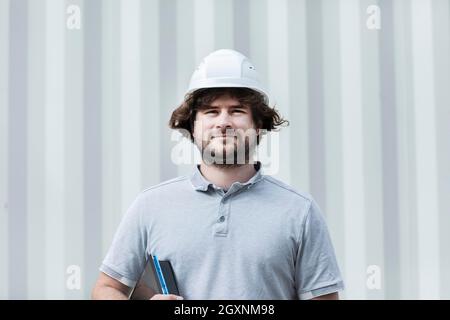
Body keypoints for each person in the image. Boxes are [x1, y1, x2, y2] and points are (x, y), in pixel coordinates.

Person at [92, 49, 344, 300]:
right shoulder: (150, 206)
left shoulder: (300, 211)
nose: (223, 122)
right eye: (211, 111)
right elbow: (106, 289)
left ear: (258, 126)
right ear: (192, 126)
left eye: (237, 111)